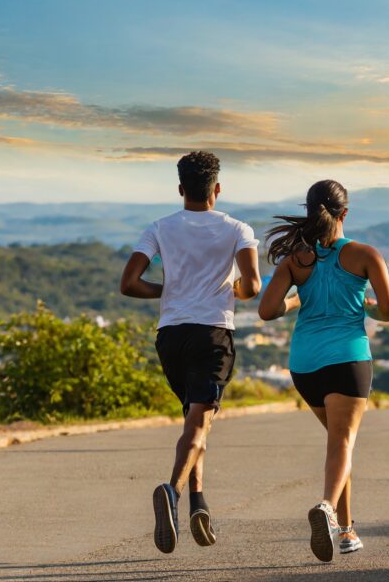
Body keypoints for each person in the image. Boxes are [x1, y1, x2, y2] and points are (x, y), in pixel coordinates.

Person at [120, 151, 261, 554]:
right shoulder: (238, 229)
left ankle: (200, 502)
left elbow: (129, 283)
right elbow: (251, 286)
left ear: (181, 189)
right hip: (213, 335)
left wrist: (170, 290)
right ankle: (174, 491)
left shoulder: (160, 227)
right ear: (217, 189)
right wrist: (231, 289)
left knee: (194, 420)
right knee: (199, 424)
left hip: (171, 337)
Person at [258, 180, 389, 562]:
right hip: (348, 360)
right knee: (342, 443)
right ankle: (326, 508)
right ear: (344, 213)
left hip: (305, 366)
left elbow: (267, 310)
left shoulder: (296, 259)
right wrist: (365, 305)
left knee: (341, 444)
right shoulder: (365, 255)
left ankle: (347, 531)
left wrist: (296, 300)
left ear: (309, 211)